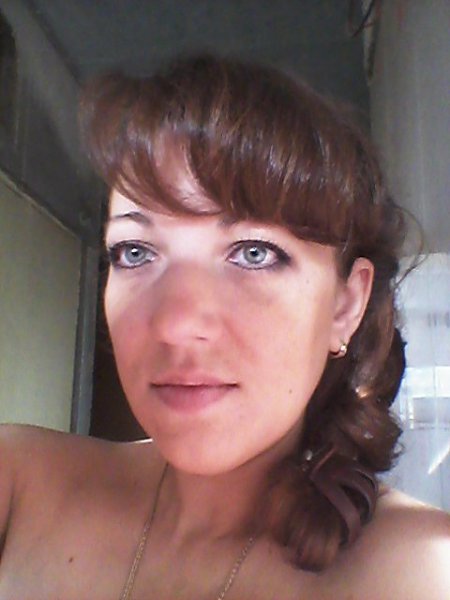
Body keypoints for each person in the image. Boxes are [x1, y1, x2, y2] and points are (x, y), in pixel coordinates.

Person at [0, 54, 449, 600]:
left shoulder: (422, 570)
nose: (176, 324)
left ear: (345, 306)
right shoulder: (16, 485)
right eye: (135, 251)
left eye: (255, 253)